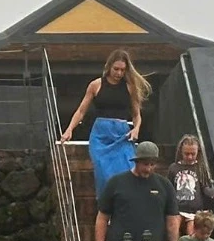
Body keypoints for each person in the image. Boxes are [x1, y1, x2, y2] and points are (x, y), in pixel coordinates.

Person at [58, 50, 151, 195]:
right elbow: (81, 111)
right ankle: (106, 209)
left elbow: (136, 115)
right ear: (109, 67)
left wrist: (136, 128)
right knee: (104, 175)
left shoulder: (129, 87)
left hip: (122, 134)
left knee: (128, 170)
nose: (119, 73)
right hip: (101, 135)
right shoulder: (95, 85)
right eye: (116, 69)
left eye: (122, 70)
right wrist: (69, 129)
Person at [165, 135, 214, 241]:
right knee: (174, 228)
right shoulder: (174, 168)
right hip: (177, 209)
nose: (190, 157)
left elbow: (204, 186)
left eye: (193, 154)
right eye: (186, 154)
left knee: (192, 233)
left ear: (197, 153)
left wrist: (212, 192)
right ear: (181, 152)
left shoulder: (200, 168)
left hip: (194, 210)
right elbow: (168, 187)